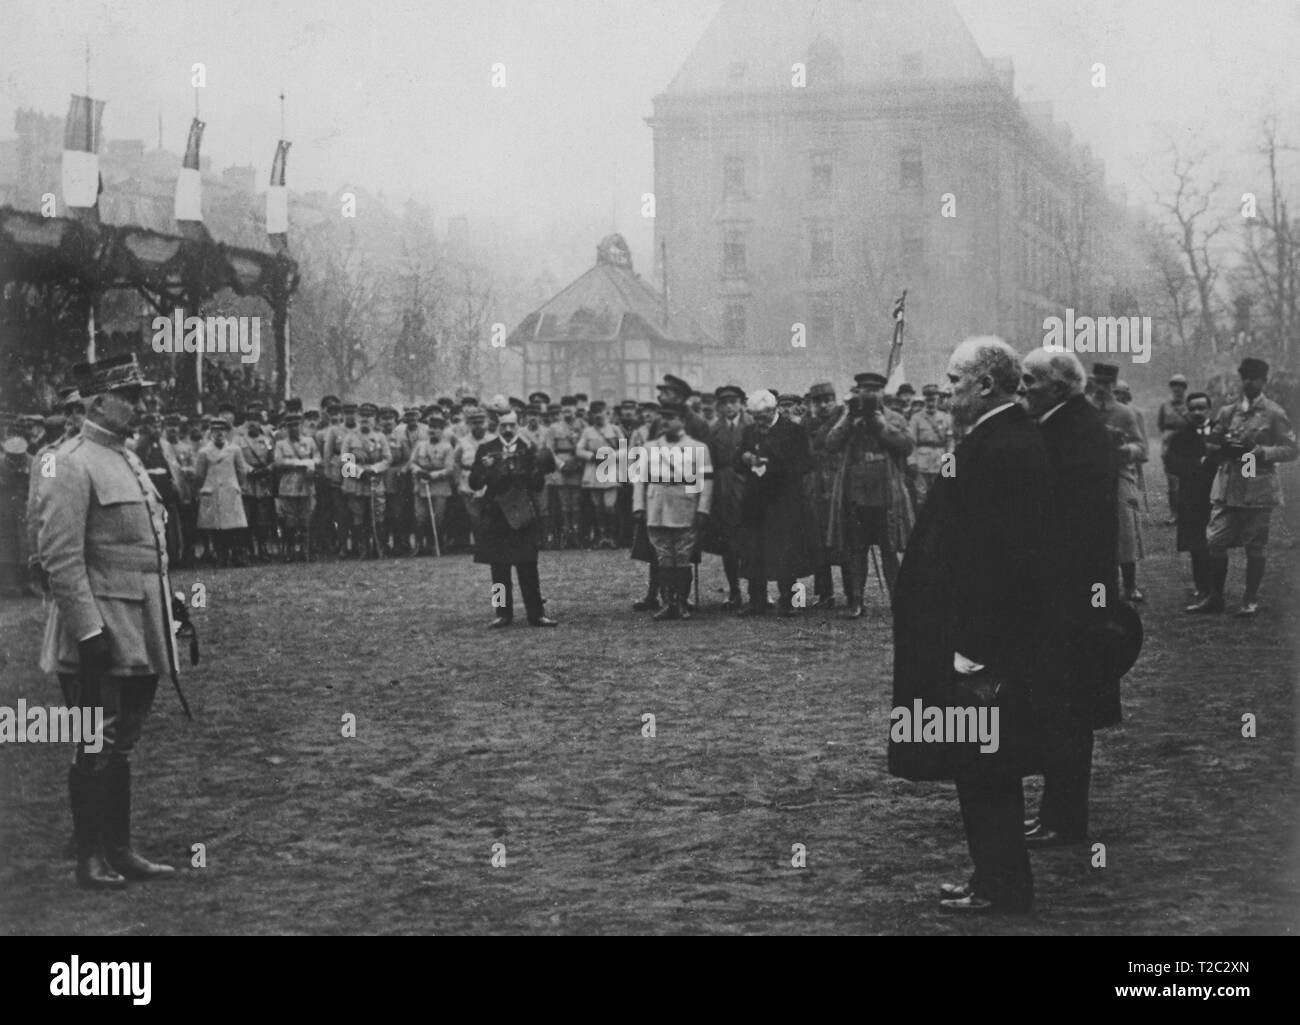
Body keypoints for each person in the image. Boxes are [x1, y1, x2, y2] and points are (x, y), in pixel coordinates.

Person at [890, 337, 1065, 913]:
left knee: (988, 764)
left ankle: (1003, 885)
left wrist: (976, 646)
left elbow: (1009, 560)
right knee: (981, 763)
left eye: (955, 379)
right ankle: (991, 876)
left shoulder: (1004, 445)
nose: (946, 389)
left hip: (983, 647)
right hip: (977, 639)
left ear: (985, 384)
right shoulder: (997, 437)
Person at [35, 353, 178, 889]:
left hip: (140, 621)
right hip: (96, 625)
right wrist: (87, 629)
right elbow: (62, 558)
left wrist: (170, 602)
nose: (140, 404)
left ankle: (119, 848)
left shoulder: (127, 458)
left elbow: (146, 544)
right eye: (131, 396)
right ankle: (90, 857)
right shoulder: (68, 462)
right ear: (98, 402)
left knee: (121, 740)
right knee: (94, 738)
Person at [1019, 348, 1120, 848]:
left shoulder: (1073, 432)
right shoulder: (1071, 424)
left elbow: (1070, 526)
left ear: (1058, 386)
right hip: (1074, 594)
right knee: (1062, 709)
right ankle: (1056, 812)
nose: (1024, 391)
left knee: (1067, 710)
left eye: (1030, 383)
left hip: (1071, 598)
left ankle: (1064, 819)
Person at [1187, 358, 1298, 617]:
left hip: (1257, 489)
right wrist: (1224, 446)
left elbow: (1292, 449)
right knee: (1215, 541)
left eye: (1254, 377)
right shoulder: (1228, 412)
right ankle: (1216, 597)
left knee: (1255, 546)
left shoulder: (1274, 413)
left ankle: (1249, 600)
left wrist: (1261, 450)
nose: (1248, 381)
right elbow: (1212, 444)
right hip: (1228, 486)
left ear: (1263, 381)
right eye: (1245, 376)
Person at [824, 372, 914, 616]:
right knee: (856, 549)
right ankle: (857, 600)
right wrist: (848, 419)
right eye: (865, 389)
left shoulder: (893, 417)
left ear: (883, 392)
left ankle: (899, 600)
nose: (870, 394)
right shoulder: (850, 417)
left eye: (875, 389)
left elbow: (907, 446)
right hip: (856, 493)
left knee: (889, 549)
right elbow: (831, 444)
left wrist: (881, 426)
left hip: (886, 493)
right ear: (858, 391)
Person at [468, 411, 557, 628]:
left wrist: (536, 470)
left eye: (512, 425)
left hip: (522, 513)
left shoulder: (529, 450)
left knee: (528, 565)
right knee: (498, 568)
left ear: (518, 426)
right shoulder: (486, 449)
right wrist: (486, 469)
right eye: (503, 426)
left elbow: (537, 485)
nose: (508, 430)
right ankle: (501, 613)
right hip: (496, 514)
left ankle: (536, 614)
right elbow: (474, 483)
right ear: (498, 426)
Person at [734, 390, 815, 616]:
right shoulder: (749, 431)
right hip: (755, 501)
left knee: (786, 552)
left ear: (774, 410)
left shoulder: (794, 431)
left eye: (762, 416)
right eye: (754, 416)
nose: (758, 421)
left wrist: (773, 467)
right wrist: (745, 458)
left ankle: (790, 601)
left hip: (784, 500)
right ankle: (756, 600)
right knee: (753, 550)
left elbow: (806, 464)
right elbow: (736, 461)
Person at [633, 402, 713, 621]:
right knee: (663, 556)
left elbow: (706, 481)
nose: (665, 421)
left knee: (683, 555)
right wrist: (638, 506)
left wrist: (703, 509)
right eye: (663, 417)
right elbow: (640, 480)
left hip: (685, 505)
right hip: (656, 505)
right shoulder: (650, 447)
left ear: (683, 421)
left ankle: (681, 602)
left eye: (671, 417)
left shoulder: (698, 448)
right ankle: (668, 602)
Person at [1089, 364, 1147, 603]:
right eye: (1098, 383)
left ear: (1113, 385)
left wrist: (1124, 448)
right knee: (1092, 534)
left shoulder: (1124, 413)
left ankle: (1131, 585)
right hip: (1089, 477)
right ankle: (1098, 587)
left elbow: (1141, 448)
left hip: (1119, 474)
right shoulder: (1083, 410)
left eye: (1107, 384)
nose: (1102, 388)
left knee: (1125, 531)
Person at [1166, 392, 1217, 601]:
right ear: (1188, 410)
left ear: (1209, 409)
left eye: (1201, 408)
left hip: (1217, 494)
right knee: (1197, 543)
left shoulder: (1220, 431)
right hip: (1192, 495)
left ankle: (1216, 586)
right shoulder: (1181, 435)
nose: (1197, 412)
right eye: (1193, 408)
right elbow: (1171, 463)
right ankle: (1201, 585)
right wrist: (1197, 465)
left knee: (1217, 541)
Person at [805, 382, 852, 609]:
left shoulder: (845, 421)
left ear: (835, 401)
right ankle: (825, 594)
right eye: (818, 401)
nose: (823, 406)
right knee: (819, 543)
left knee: (845, 542)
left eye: (827, 400)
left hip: (839, 485)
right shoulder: (807, 424)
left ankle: (853, 594)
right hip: (815, 487)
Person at [194, 416, 250, 567]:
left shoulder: (234, 450)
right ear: (211, 432)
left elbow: (241, 471)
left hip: (230, 491)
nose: (219, 433)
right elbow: (199, 474)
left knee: (234, 527)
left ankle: (237, 555)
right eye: (215, 430)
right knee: (216, 528)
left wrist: (237, 485)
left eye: (222, 430)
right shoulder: (204, 452)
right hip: (213, 491)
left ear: (227, 432)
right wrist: (203, 488)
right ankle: (221, 555)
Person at [341, 403, 391, 559]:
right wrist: (359, 472)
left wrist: (374, 469)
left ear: (374, 419)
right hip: (356, 482)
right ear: (357, 418)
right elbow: (344, 460)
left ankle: (378, 547)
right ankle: (362, 548)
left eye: (368, 417)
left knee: (378, 514)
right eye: (362, 416)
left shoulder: (380, 437)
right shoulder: (350, 438)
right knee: (358, 514)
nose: (365, 419)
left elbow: (388, 459)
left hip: (375, 480)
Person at [577, 401, 625, 548]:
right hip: (593, 471)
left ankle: (611, 536)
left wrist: (609, 455)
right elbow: (579, 450)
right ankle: (600, 536)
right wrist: (592, 456)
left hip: (610, 470)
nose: (598, 415)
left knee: (610, 505)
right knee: (597, 506)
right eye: (595, 412)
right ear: (591, 415)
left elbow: (625, 450)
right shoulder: (587, 431)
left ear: (607, 412)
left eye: (601, 411)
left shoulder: (615, 430)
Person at [273, 413, 319, 561]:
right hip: (289, 484)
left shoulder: (309, 441)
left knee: (306, 517)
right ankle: (290, 550)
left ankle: (306, 550)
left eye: (297, 425)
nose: (294, 428)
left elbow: (318, 458)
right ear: (286, 428)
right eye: (291, 425)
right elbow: (278, 462)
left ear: (301, 426)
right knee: (290, 519)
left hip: (306, 483)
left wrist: (311, 464)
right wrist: (301, 463)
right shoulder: (281, 444)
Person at [410, 412, 456, 555]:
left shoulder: (447, 447)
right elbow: (412, 462)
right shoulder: (420, 445)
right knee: (420, 517)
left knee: (438, 518)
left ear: (442, 430)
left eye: (436, 427)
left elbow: (449, 469)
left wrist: (433, 475)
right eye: (430, 427)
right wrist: (418, 471)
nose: (432, 430)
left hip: (440, 487)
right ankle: (418, 546)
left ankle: (436, 544)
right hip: (421, 485)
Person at [236, 412, 276, 561]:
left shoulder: (267, 440)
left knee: (263, 518)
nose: (252, 424)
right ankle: (248, 549)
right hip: (247, 481)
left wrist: (267, 469)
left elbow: (273, 458)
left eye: (255, 421)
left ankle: (263, 547)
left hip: (263, 482)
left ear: (260, 423)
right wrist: (250, 470)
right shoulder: (240, 441)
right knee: (247, 517)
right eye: (249, 421)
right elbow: (238, 459)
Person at [910, 384, 953, 507]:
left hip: (941, 460)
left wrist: (949, 465)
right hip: (921, 461)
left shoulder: (946, 417)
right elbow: (911, 442)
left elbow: (950, 442)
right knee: (921, 497)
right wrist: (912, 461)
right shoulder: (916, 418)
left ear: (937, 400)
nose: (931, 403)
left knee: (943, 495)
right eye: (928, 400)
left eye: (933, 400)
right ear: (925, 400)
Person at [1158, 374, 1191, 523]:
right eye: (1174, 385)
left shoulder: (1190, 405)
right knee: (1172, 482)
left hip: (1186, 446)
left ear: (1185, 388)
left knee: (1187, 481)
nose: (1177, 388)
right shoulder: (1165, 405)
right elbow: (1161, 425)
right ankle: (1174, 514)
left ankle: (1186, 513)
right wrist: (1165, 440)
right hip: (1170, 446)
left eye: (1180, 385)